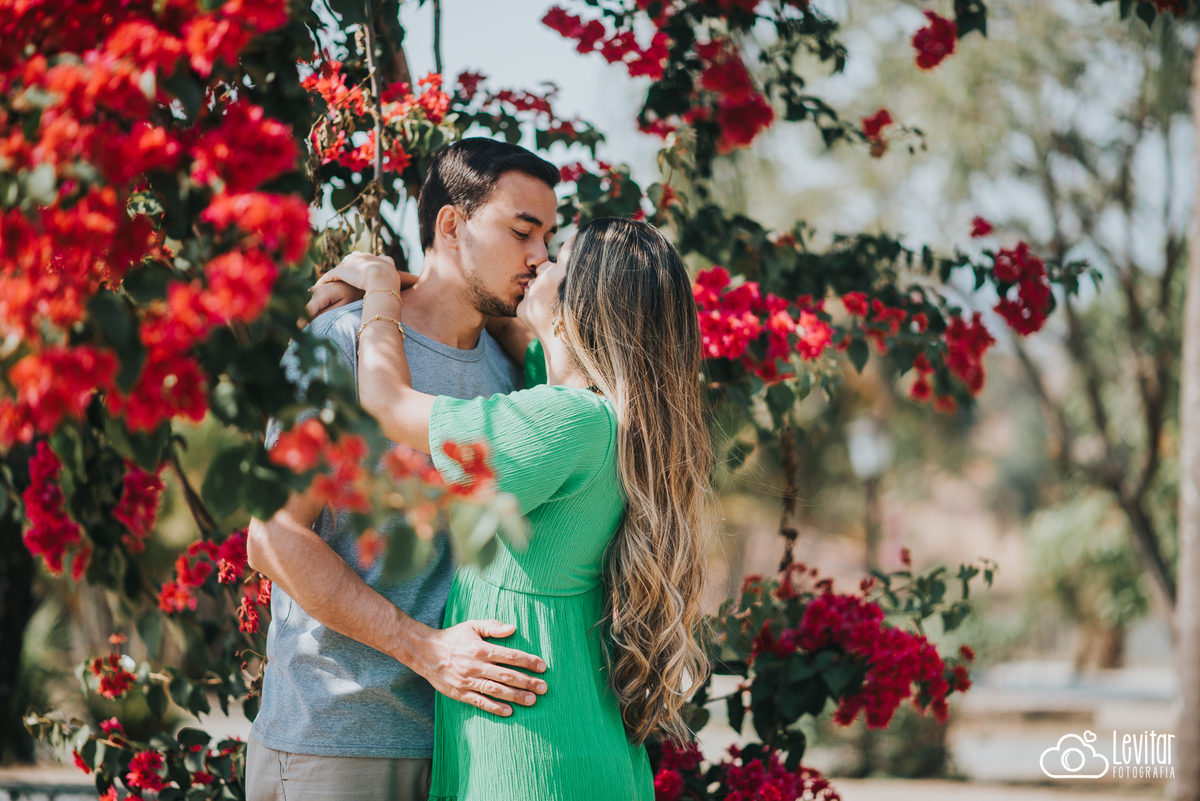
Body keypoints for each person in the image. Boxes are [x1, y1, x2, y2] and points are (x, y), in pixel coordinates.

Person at [317, 216, 713, 800]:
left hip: (531, 752)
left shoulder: (562, 422)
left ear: (583, 302)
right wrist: (423, 280)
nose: (538, 263)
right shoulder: (605, 416)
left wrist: (379, 288)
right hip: (570, 731)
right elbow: (509, 326)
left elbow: (387, 400)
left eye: (557, 259)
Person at [244, 138, 564, 801]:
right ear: (452, 225)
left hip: (466, 741)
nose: (542, 257)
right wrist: (423, 647)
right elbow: (272, 536)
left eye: (550, 236)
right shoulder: (340, 341)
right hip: (337, 741)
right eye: (523, 231)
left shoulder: (510, 373)